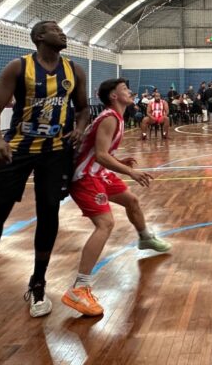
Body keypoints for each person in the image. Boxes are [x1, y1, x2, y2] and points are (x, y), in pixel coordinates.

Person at [0, 21, 90, 316]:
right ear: (38, 37)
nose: (62, 33)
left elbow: (84, 108)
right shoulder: (18, 67)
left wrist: (81, 128)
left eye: (62, 29)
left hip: (56, 152)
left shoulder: (74, 70)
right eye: (55, 30)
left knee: (49, 213)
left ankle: (38, 285)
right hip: (18, 150)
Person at [62, 78, 171, 317]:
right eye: (124, 90)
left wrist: (119, 162)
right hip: (85, 176)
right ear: (113, 96)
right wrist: (129, 171)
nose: (130, 92)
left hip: (98, 172)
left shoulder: (117, 116)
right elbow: (100, 155)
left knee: (131, 201)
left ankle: (144, 238)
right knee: (106, 224)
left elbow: (100, 153)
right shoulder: (109, 118)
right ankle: (79, 287)